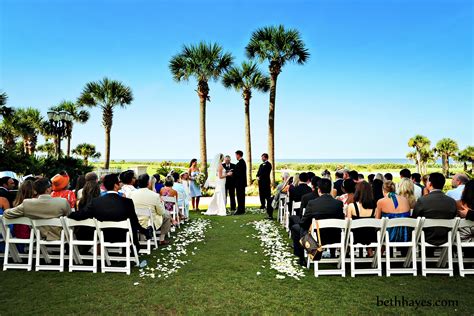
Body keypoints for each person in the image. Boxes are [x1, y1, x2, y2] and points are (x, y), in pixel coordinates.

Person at [69, 173, 151, 247]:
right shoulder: (127, 202)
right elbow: (134, 221)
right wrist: (144, 231)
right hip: (123, 237)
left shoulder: (96, 202)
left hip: (102, 236)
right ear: (115, 185)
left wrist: (67, 214)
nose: (120, 184)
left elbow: (81, 214)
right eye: (119, 183)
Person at [290, 178, 344, 265]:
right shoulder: (338, 203)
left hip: (316, 238)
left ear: (318, 190)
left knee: (296, 228)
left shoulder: (312, 203)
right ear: (330, 189)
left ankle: (301, 257)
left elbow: (304, 222)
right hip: (336, 236)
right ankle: (333, 254)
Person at [4, 178, 71, 240]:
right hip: (60, 236)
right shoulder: (62, 202)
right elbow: (69, 217)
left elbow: (7, 213)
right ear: (48, 189)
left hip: (38, 236)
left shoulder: (27, 204)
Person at [412, 172, 457, 246]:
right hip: (447, 236)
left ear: (429, 184)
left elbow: (415, 218)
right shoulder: (451, 201)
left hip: (426, 237)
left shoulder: (422, 200)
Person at [129, 174, 172, 245]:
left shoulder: (131, 194)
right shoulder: (154, 195)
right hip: (150, 223)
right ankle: (162, 239)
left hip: (134, 222)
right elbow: (161, 212)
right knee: (167, 215)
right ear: (148, 183)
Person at [347, 181, 377, 256]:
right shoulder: (375, 207)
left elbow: (348, 225)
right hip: (371, 237)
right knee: (369, 229)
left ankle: (347, 251)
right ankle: (369, 250)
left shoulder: (351, 206)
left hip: (355, 237)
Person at [233, 150, 247, 215]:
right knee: (241, 196)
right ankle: (242, 209)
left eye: (236, 155)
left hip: (240, 183)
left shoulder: (241, 163)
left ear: (238, 155)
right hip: (241, 183)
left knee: (240, 196)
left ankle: (240, 210)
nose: (235, 156)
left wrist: (232, 173)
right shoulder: (241, 162)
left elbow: (239, 173)